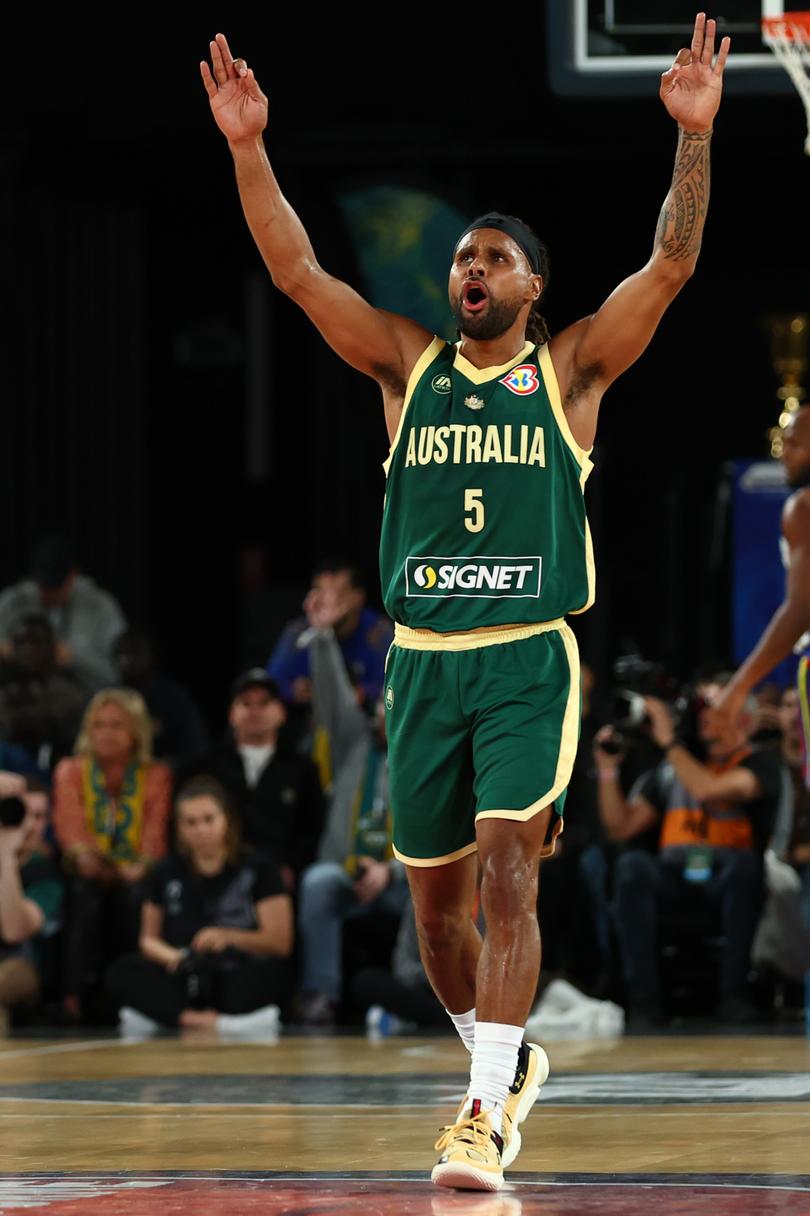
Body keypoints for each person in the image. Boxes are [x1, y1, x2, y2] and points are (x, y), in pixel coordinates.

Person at [202, 14, 730, 1191]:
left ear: (534, 288)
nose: (468, 271)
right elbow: (295, 270)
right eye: (460, 261)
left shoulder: (573, 371)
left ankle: (482, 1115)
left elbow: (674, 265)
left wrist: (691, 138)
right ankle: (503, 1060)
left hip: (527, 658)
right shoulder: (404, 365)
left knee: (507, 873)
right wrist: (250, 149)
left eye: (491, 259)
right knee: (436, 921)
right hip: (425, 659)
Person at [595, 681, 781, 1026]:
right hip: (675, 877)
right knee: (632, 865)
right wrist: (608, 769)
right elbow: (620, 828)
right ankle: (644, 1001)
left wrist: (668, 741)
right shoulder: (673, 769)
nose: (705, 719)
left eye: (716, 712)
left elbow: (708, 790)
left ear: (742, 720)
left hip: (727, 881)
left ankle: (735, 996)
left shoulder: (759, 763)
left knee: (745, 868)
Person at [295, 582, 409, 1027]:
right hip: (347, 869)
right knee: (317, 881)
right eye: (381, 707)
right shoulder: (353, 745)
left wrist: (392, 871)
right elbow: (332, 699)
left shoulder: (422, 757)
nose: (385, 716)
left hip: (401, 878)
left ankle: (408, 991)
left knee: (434, 890)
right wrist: (322, 638)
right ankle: (320, 993)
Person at [107, 776, 293, 1035]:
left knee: (273, 973)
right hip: (183, 970)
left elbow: (279, 942)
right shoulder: (165, 871)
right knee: (123, 971)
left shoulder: (258, 867)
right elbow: (148, 939)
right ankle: (199, 1021)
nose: (201, 830)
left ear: (226, 819)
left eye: (209, 819)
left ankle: (165, 1017)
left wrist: (228, 937)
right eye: (191, 822)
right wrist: (175, 958)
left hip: (234, 967)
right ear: (179, 828)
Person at [52, 689, 172, 1019]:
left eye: (117, 725)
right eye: (98, 725)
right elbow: (72, 830)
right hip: (86, 873)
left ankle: (133, 998)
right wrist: (93, 862)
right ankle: (72, 998)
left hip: (136, 874)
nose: (105, 733)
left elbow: (154, 836)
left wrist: (138, 867)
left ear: (136, 731)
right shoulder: (70, 771)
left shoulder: (156, 775)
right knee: (84, 896)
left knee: (135, 898)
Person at [175, 670, 324, 892]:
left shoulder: (303, 768)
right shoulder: (205, 767)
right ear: (231, 713)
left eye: (264, 703)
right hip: (215, 872)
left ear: (281, 712)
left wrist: (292, 867)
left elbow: (313, 829)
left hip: (282, 878)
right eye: (246, 703)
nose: (255, 711)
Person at [716, 407, 810, 758]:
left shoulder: (803, 506)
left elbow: (800, 609)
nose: (783, 454)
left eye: (795, 445)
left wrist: (738, 687)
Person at [0, 536, 127, 693]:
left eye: (56, 586)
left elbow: (119, 674)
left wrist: (75, 658)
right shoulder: (13, 602)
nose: (49, 593)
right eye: (43, 586)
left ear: (73, 575)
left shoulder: (101, 607)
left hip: (81, 701)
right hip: (20, 699)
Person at [268, 560, 393, 707]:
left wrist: (361, 692)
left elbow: (392, 685)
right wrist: (293, 690)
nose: (328, 601)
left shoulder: (377, 631)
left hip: (362, 719)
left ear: (358, 596)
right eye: (320, 592)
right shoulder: (297, 631)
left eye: (338, 593)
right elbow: (272, 683)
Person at [0, 778, 63, 1032]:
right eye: (21, 814)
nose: (28, 826)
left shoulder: (42, 871)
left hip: (21, 966)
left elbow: (14, 931)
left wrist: (6, 857)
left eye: (38, 817)